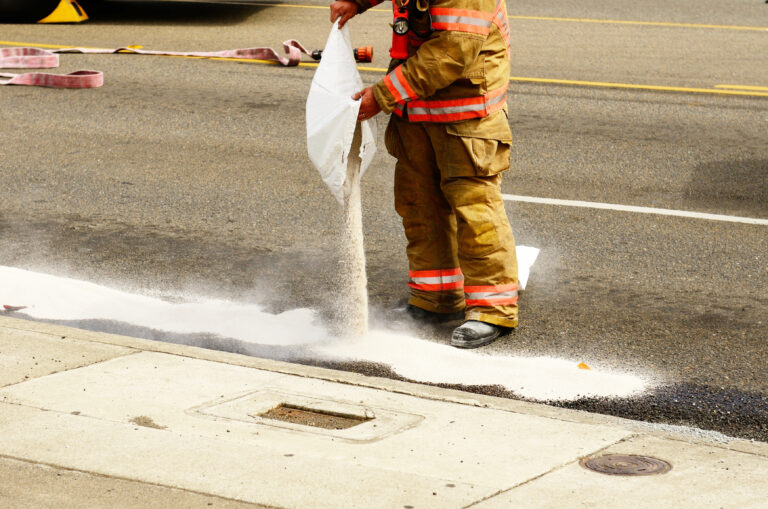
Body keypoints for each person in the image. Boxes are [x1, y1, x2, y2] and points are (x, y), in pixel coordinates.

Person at [330, 0, 519, 348]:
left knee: (475, 209)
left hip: (465, 111)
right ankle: (437, 297)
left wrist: (383, 94)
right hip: (418, 104)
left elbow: (450, 52)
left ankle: (492, 308)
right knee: (419, 203)